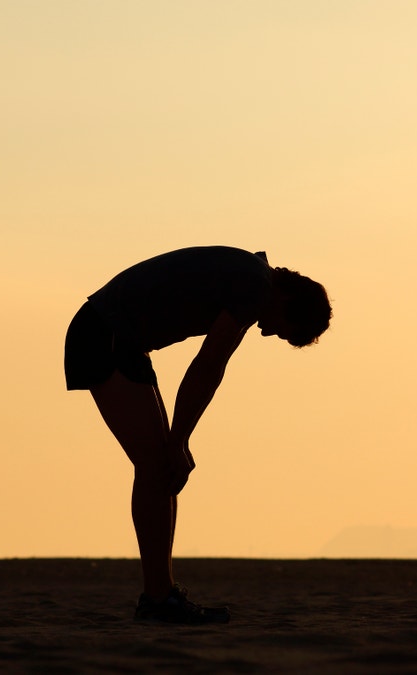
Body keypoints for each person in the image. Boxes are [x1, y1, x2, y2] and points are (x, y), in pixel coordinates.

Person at [64, 246, 331, 624]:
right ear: (288, 299)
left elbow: (211, 370)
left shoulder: (253, 281)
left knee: (162, 470)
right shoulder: (254, 286)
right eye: (283, 330)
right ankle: (157, 599)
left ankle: (162, 594)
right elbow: (207, 366)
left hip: (120, 341)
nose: (268, 332)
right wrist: (179, 441)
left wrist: (179, 441)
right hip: (101, 334)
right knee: (156, 465)